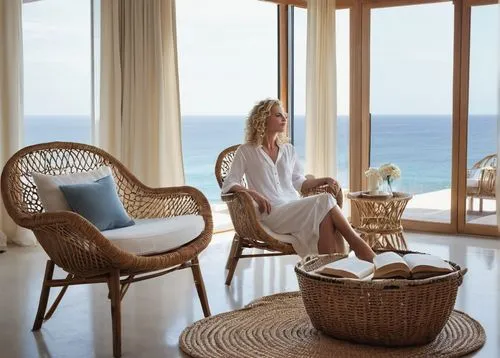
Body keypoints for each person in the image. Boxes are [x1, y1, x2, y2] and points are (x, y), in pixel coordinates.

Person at [221, 98, 376, 262]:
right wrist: (252, 193)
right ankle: (359, 246)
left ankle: (329, 271)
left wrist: (324, 179)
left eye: (285, 115)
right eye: (278, 115)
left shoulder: (288, 150)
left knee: (327, 217)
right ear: (263, 118)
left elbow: (300, 183)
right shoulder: (246, 151)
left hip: (293, 207)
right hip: (271, 213)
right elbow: (229, 184)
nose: (284, 119)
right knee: (326, 200)